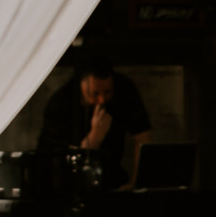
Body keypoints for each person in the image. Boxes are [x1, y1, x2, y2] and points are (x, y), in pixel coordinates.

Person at [39, 52, 153, 191]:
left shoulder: (124, 88)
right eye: (95, 94)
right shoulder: (61, 104)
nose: (102, 100)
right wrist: (95, 136)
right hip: (70, 183)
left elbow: (143, 137)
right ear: (82, 86)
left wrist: (136, 182)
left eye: (107, 92)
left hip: (112, 174)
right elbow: (58, 164)